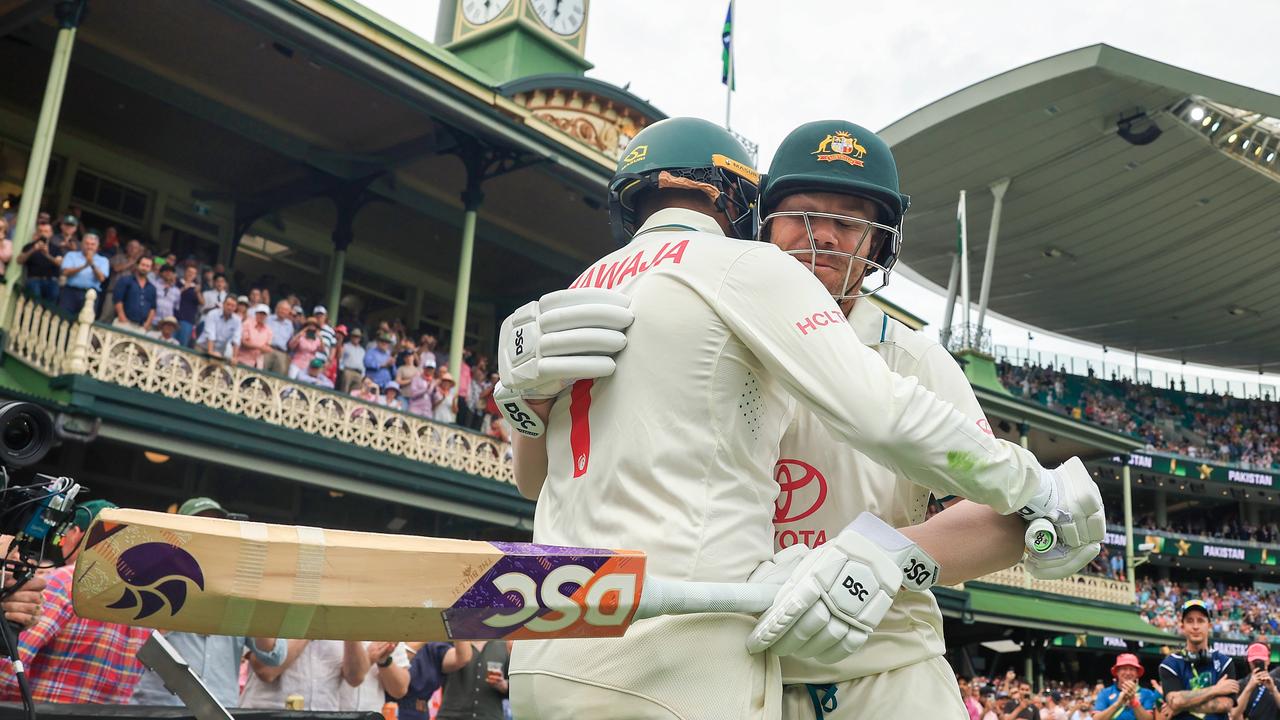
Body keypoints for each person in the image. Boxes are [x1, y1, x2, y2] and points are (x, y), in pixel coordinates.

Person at [503, 118, 1102, 719]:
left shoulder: (911, 356)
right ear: (758, 221)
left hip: (885, 678)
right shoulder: (697, 321)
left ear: (877, 244)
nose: (824, 238)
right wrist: (526, 404)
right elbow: (539, 481)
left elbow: (1008, 522)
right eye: (803, 215)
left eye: (849, 222)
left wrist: (888, 555)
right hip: (740, 678)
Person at [128, 498, 286, 707]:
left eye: (215, 529)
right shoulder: (155, 577)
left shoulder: (239, 584)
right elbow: (134, 644)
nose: (207, 537)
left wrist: (252, 586)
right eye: (199, 529)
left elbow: (274, 655)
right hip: (161, 707)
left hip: (218, 710)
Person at [0, 500, 152, 703]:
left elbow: (10, 669)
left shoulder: (65, 582)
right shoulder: (145, 599)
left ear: (77, 533)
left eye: (64, 535)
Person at [1159, 599, 1237, 720]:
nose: (1195, 626)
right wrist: (1216, 690)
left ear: (1209, 626)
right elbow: (1174, 701)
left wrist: (1181, 706)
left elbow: (1226, 704)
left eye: (1200, 621)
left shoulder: (1224, 662)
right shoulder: (1170, 664)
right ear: (1182, 626)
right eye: (1190, 621)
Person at [240, 639, 367, 711]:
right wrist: (310, 626)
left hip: (324, 713)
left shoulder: (338, 620)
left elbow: (356, 678)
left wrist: (349, 630)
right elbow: (266, 671)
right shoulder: (276, 611)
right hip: (269, 713)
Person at [437, 640, 509, 720]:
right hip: (451, 715)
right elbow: (432, 671)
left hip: (490, 716)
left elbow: (517, 689)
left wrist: (504, 685)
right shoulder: (450, 643)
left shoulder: (504, 645)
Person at [337, 641, 411, 714]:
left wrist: (384, 660)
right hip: (333, 713)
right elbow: (353, 677)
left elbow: (400, 690)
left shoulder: (390, 630)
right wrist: (370, 657)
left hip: (372, 714)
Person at [57, 232, 109, 316]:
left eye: (93, 244)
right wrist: (84, 266)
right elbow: (65, 272)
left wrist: (92, 264)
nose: (89, 247)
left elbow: (101, 278)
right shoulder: (71, 255)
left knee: (84, 321)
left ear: (97, 246)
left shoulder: (103, 260)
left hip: (90, 295)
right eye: (87, 243)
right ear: (81, 244)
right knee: (63, 318)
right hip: (70, 292)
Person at [1095, 653, 1157, 720]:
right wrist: (1118, 703)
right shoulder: (1105, 693)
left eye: (1132, 669)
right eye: (1124, 669)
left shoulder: (1147, 693)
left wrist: (1133, 701)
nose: (1128, 673)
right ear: (1117, 672)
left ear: (1137, 673)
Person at [1229, 642, 1280, 720]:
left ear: (1268, 660)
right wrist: (1249, 688)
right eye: (1254, 661)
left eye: (1261, 661)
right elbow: (1233, 715)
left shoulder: (1277, 683)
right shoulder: (1241, 685)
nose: (1257, 664)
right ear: (1248, 662)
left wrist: (1274, 690)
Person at [17, 218, 62, 302]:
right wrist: (33, 250)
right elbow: (19, 261)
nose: (43, 234)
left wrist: (47, 255)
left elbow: (59, 263)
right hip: (34, 280)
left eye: (46, 231)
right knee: (34, 303)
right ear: (37, 233)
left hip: (51, 281)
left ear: (51, 233)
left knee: (50, 308)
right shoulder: (29, 246)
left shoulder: (56, 248)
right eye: (40, 231)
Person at [112, 254, 157, 332]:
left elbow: (153, 308)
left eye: (147, 266)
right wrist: (122, 317)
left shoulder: (152, 288)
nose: (144, 268)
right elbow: (118, 300)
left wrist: (147, 324)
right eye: (143, 265)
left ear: (151, 269)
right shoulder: (125, 280)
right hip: (123, 322)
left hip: (141, 327)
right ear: (137, 265)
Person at [197, 295, 242, 359]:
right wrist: (211, 352)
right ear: (223, 304)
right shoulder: (212, 314)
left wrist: (234, 357)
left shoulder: (237, 320)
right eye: (228, 304)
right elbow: (210, 333)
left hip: (219, 352)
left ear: (235, 308)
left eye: (233, 306)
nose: (230, 308)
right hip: (202, 347)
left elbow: (237, 339)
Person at [236, 304, 274, 369]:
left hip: (258, 364)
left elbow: (267, 347)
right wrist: (260, 347)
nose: (262, 316)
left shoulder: (269, 330)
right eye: (260, 313)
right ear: (256, 313)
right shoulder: (247, 323)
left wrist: (266, 349)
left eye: (264, 314)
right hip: (242, 360)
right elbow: (244, 342)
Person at [264, 300, 295, 375]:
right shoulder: (268, 319)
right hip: (268, 349)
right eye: (282, 309)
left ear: (289, 312)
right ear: (277, 309)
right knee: (262, 372)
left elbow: (290, 341)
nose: (283, 312)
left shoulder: (289, 324)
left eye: (286, 310)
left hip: (281, 352)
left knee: (278, 377)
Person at [175, 263, 202, 347]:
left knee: (182, 344)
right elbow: (173, 296)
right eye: (189, 271)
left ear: (195, 276)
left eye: (193, 273)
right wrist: (184, 288)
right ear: (185, 272)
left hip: (187, 320)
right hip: (174, 317)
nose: (190, 274)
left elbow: (202, 302)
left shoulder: (196, 288)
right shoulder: (178, 282)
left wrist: (198, 292)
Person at [339, 327, 365, 392]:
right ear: (351, 337)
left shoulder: (362, 350)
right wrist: (342, 369)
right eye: (354, 336)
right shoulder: (345, 346)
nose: (356, 338)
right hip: (348, 370)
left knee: (355, 392)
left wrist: (363, 374)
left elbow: (363, 363)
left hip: (359, 373)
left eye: (358, 337)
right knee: (345, 390)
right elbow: (340, 358)